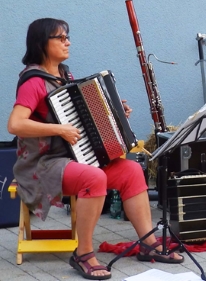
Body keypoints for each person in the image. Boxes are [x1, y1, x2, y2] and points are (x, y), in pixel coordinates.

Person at [7, 18, 183, 280]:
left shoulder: (64, 76)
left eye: (68, 36)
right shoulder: (33, 82)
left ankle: (148, 242)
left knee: (131, 170)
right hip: (42, 165)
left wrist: (117, 114)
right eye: (61, 38)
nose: (68, 42)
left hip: (72, 158)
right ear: (42, 43)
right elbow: (15, 124)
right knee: (94, 177)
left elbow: (83, 118)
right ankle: (83, 253)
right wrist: (59, 130)